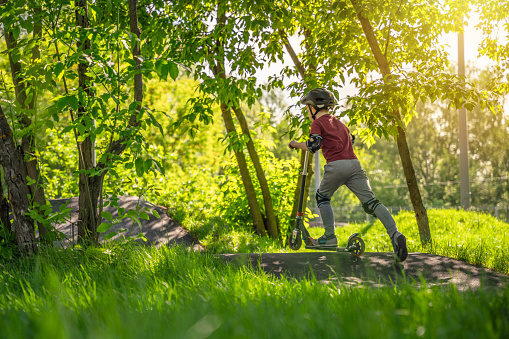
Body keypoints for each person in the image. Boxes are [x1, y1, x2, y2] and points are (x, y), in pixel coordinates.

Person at [288, 88, 408, 262]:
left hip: (336, 166)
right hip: (354, 165)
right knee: (372, 203)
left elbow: (314, 145)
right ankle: (395, 234)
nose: (307, 111)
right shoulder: (340, 124)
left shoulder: (317, 124)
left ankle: (329, 237)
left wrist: (295, 144)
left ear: (314, 108)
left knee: (322, 197)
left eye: (307, 108)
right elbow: (350, 139)